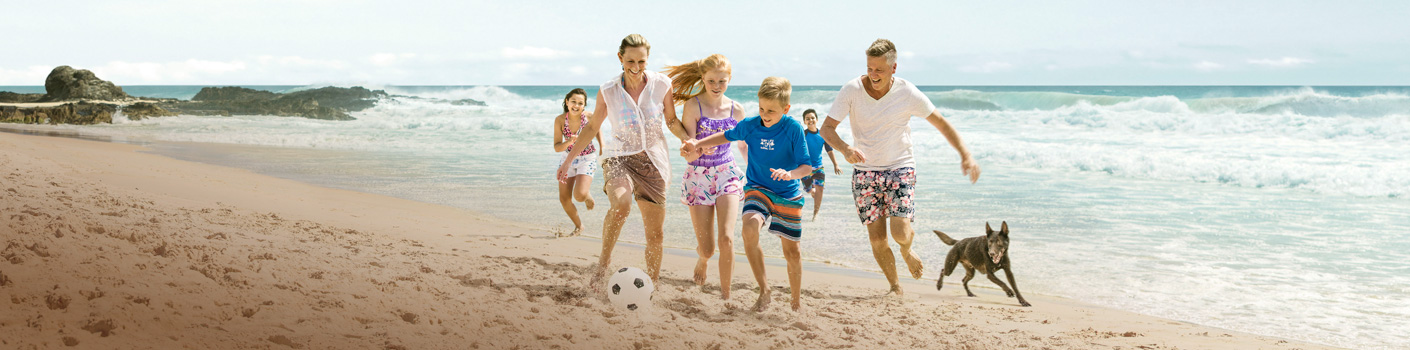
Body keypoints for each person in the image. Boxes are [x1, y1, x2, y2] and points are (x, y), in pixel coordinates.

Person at [819, 39, 981, 296]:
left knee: (900, 232)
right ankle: (895, 287)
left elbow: (941, 124)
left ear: (894, 68)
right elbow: (826, 129)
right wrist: (845, 149)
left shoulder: (907, 93)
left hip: (899, 167)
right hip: (865, 171)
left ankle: (907, 250)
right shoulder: (851, 90)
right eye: (870, 68)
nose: (873, 75)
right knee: (877, 239)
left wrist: (966, 155)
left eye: (879, 70)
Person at [557, 34, 690, 289]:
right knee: (622, 205)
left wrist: (687, 140)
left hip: (653, 162)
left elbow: (672, 121)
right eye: (630, 60)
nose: (636, 67)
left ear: (647, 59)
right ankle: (602, 267)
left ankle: (652, 285)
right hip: (619, 157)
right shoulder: (608, 90)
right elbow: (593, 126)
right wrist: (568, 160)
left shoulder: (661, 84)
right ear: (620, 58)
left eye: (642, 61)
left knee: (655, 233)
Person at [683, 77, 811, 311]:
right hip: (757, 188)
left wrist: (790, 174)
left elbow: (806, 167)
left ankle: (795, 303)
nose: (765, 114)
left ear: (786, 108)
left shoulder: (792, 128)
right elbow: (727, 135)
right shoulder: (751, 125)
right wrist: (698, 144)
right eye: (761, 108)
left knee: (792, 252)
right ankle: (764, 291)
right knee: (749, 229)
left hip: (788, 193)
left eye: (771, 110)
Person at [665, 54, 747, 300]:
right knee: (709, 249)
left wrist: (760, 171)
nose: (716, 86)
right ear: (703, 78)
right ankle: (703, 259)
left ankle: (726, 296)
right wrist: (691, 149)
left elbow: (743, 146)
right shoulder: (693, 106)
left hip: (727, 174)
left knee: (727, 238)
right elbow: (690, 151)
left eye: (722, 81)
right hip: (698, 176)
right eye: (711, 80)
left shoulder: (737, 110)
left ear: (729, 79)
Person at [552, 88, 602, 237]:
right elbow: (556, 147)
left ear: (584, 106)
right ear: (567, 102)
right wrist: (569, 142)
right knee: (564, 199)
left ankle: (586, 196)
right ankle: (579, 226)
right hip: (567, 158)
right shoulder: (560, 120)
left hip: (587, 158)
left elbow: (596, 129)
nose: (576, 105)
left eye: (580, 103)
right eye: (573, 101)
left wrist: (602, 146)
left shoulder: (588, 117)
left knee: (579, 195)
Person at [800, 109, 840, 221]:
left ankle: (815, 214)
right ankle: (810, 191)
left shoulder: (822, 134)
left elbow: (829, 149)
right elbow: (795, 148)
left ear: (816, 120)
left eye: (812, 118)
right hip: (805, 167)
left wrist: (835, 164)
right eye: (807, 119)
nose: (810, 120)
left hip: (818, 167)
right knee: (809, 189)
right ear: (804, 121)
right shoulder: (803, 134)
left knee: (820, 189)